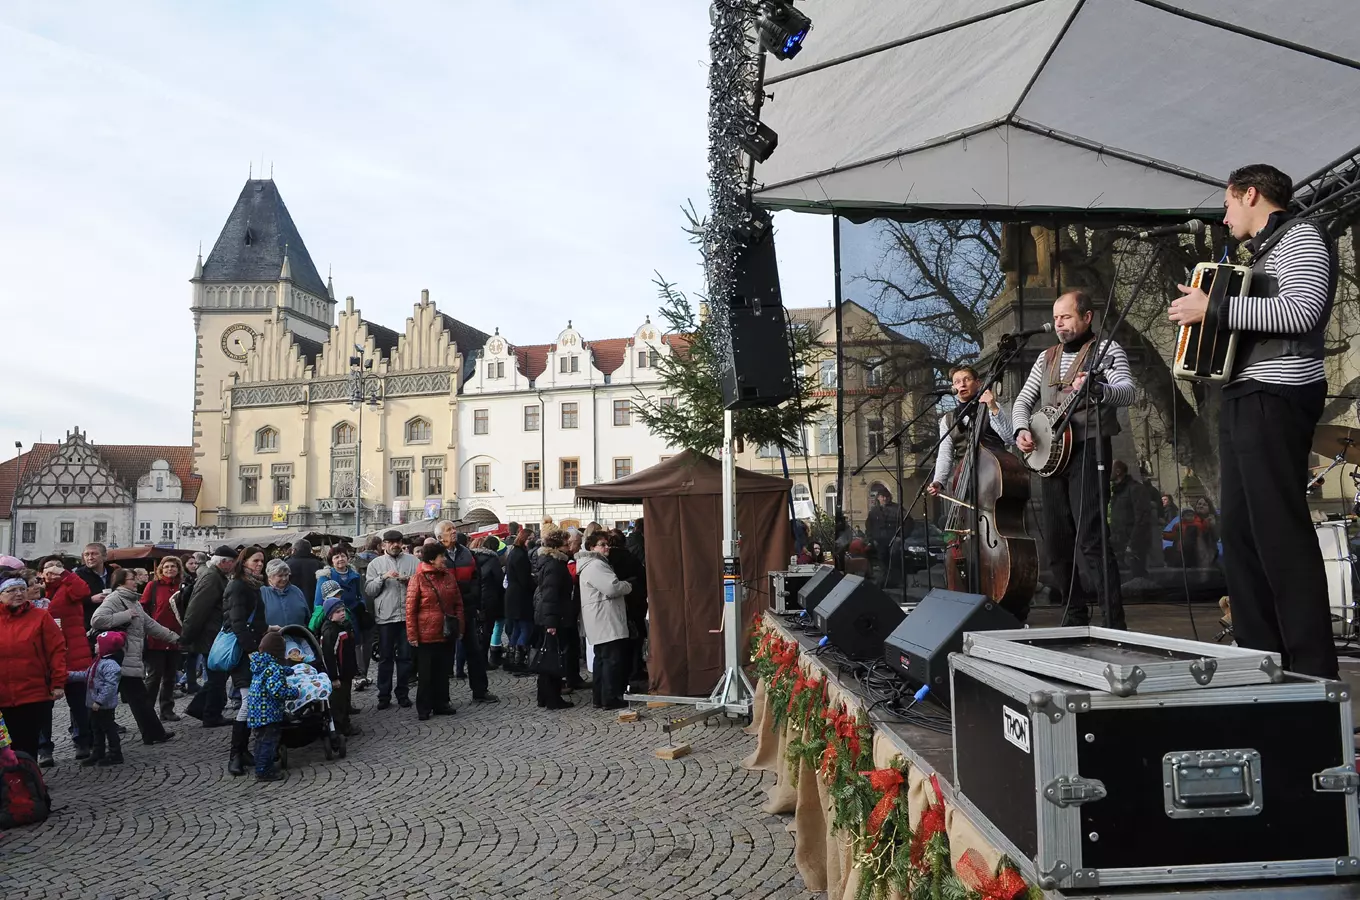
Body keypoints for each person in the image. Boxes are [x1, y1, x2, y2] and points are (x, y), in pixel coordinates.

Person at [1169, 164, 1338, 677]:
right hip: (1245, 395)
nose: (1224, 217)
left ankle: (1312, 669)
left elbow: (1302, 313)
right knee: (1241, 539)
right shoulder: (1261, 253)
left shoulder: (1302, 235)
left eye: (1227, 204)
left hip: (1278, 394)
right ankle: (1261, 662)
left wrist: (1213, 306)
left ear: (1251, 194)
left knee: (1279, 534)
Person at [1014, 290, 1133, 629]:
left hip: (1089, 448)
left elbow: (1129, 391)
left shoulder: (1107, 351)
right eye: (1055, 318)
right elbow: (1023, 401)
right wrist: (1021, 429)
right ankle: (1074, 612)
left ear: (1087, 317)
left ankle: (1114, 622)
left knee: (1092, 538)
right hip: (1050, 457)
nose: (1058, 324)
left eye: (1065, 317)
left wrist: (1100, 390)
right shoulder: (1045, 358)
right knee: (1057, 541)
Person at [90, 569, 180, 745]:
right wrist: (125, 615)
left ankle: (152, 733)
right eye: (132, 579)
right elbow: (97, 619)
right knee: (132, 699)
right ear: (121, 582)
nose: (136, 582)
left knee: (139, 699)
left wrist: (175, 638)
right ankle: (95, 739)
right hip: (119, 657)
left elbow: (150, 624)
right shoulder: (115, 599)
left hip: (128, 658)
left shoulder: (133, 601)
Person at [0, 577, 66, 760]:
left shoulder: (41, 616)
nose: (19, 594)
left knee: (27, 745)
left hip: (33, 693)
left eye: (22, 589)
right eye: (12, 590)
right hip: (2, 695)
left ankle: (30, 783)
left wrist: (58, 682)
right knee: (5, 747)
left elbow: (57, 650)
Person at [436, 521, 498, 704]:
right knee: (444, 656)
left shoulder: (467, 553)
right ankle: (442, 697)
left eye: (454, 529)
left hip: (467, 609)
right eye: (449, 530)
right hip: (445, 612)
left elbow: (476, 578)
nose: (454, 532)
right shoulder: (435, 555)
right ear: (440, 537)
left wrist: (474, 599)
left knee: (475, 652)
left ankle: (480, 691)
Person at [39, 558, 93, 762]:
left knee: (78, 702)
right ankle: (44, 749)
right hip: (45, 656)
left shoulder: (68, 587)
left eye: (57, 568)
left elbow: (83, 591)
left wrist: (65, 575)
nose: (52, 572)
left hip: (73, 652)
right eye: (48, 569)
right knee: (44, 706)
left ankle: (82, 741)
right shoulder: (36, 590)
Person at [180, 545, 237, 728]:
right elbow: (197, 609)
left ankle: (198, 708)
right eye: (232, 563)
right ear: (224, 562)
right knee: (217, 679)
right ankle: (211, 715)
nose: (234, 566)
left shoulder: (215, 576)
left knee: (217, 678)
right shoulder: (212, 578)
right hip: (210, 636)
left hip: (212, 635)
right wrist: (187, 637)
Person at [225, 546, 269, 778]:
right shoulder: (238, 586)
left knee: (252, 701)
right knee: (247, 702)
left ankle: (243, 751)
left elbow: (256, 619)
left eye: (262, 561)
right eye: (255, 561)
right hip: (243, 652)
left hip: (253, 647)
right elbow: (238, 623)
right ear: (244, 563)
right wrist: (251, 651)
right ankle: (235, 755)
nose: (259, 564)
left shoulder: (254, 586)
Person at [406, 542, 462, 721]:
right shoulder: (418, 578)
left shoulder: (448, 577)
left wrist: (460, 627)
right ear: (432, 559)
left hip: (445, 632)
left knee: (443, 670)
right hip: (426, 634)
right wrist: (412, 634)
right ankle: (424, 707)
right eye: (441, 557)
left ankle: (441, 703)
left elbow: (458, 603)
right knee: (426, 673)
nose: (444, 559)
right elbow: (410, 609)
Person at [578, 531, 633, 709]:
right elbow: (612, 587)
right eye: (602, 544)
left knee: (602, 660)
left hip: (600, 618)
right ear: (592, 548)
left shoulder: (592, 564)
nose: (606, 547)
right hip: (605, 619)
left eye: (607, 543)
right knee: (611, 660)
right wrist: (628, 585)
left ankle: (600, 698)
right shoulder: (595, 565)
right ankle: (610, 698)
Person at [363, 530, 415, 711]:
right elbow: (369, 590)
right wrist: (382, 578)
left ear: (402, 543)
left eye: (397, 542)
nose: (394, 545)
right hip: (385, 617)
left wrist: (408, 580)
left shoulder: (412, 561)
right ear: (383, 545)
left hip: (406, 616)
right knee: (385, 658)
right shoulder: (375, 564)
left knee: (405, 658)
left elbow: (421, 583)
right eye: (390, 542)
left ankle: (403, 694)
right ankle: (383, 695)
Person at [314, 546, 372, 691]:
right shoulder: (326, 577)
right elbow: (319, 602)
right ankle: (340, 684)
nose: (340, 559)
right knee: (338, 652)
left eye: (342, 556)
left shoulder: (355, 575)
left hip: (352, 616)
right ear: (331, 561)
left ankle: (357, 676)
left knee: (355, 646)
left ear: (348, 557)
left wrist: (361, 605)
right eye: (336, 557)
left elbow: (359, 595)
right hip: (334, 619)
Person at [246, 631, 298, 783]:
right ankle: (264, 771)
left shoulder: (260, 664)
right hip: (268, 714)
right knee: (268, 742)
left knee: (260, 742)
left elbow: (270, 674)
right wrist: (295, 692)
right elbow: (277, 690)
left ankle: (261, 765)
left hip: (256, 712)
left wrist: (288, 670)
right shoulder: (274, 668)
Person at [140, 557, 186, 723]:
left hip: (176, 637)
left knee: (170, 677)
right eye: (166, 566)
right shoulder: (152, 586)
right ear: (161, 569)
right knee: (153, 677)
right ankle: (147, 712)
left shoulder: (182, 586)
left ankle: (167, 710)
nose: (169, 569)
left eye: (173, 566)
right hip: (156, 638)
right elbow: (143, 607)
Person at [533, 531, 574, 711]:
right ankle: (552, 698)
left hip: (550, 615)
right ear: (557, 547)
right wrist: (552, 623)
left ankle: (544, 696)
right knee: (552, 658)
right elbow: (550, 595)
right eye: (566, 544)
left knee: (547, 657)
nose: (569, 547)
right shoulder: (555, 565)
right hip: (554, 617)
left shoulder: (549, 563)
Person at [76, 631, 126, 767]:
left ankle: (115, 753)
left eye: (98, 643)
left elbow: (110, 686)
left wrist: (99, 701)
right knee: (96, 728)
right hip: (95, 704)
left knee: (108, 728)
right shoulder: (98, 661)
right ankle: (98, 752)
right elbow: (86, 675)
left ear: (106, 647)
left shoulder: (110, 665)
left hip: (103, 705)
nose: (95, 645)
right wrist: (68, 675)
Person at [606, 529, 647, 686]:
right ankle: (634, 669)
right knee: (635, 637)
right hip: (633, 601)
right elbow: (642, 577)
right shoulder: (629, 557)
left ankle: (627, 671)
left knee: (620, 641)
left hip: (616, 604)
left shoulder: (606, 561)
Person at [317, 588, 359, 737]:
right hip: (338, 675)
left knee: (345, 699)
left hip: (346, 671)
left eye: (342, 610)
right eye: (337, 612)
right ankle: (340, 729)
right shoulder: (330, 632)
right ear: (330, 615)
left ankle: (346, 723)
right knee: (338, 703)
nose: (342, 613)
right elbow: (329, 656)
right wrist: (334, 677)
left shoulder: (343, 626)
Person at [1108, 461, 1152, 579]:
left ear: (1118, 472)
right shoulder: (1117, 491)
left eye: (1109, 467)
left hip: (1133, 545)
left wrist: (1132, 544)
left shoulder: (1135, 489)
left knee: (1137, 576)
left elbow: (1142, 518)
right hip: (1118, 544)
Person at [503, 529, 536, 672]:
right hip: (520, 597)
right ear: (525, 539)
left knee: (516, 629)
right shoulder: (521, 555)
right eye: (531, 538)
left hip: (512, 595)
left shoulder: (513, 553)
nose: (532, 541)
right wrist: (534, 583)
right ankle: (519, 661)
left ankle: (511, 659)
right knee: (525, 628)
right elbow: (524, 579)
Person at [473, 535, 506, 670]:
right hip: (490, 599)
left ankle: (476, 660)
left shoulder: (473, 557)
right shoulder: (493, 560)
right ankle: (483, 661)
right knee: (487, 631)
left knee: (477, 631)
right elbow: (500, 580)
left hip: (476, 597)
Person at [177, 552, 208, 694]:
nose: (194, 566)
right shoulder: (184, 581)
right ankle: (186, 681)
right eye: (190, 563)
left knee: (194, 654)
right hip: (185, 620)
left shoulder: (195, 578)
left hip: (195, 620)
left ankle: (190, 682)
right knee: (191, 655)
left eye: (195, 563)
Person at [260, 559, 310, 628]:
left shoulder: (296, 591)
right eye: (280, 576)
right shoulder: (262, 593)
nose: (284, 578)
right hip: (272, 637)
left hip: (297, 636)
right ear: (270, 577)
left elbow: (307, 617)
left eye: (286, 575)